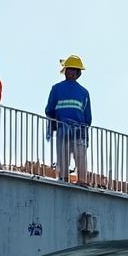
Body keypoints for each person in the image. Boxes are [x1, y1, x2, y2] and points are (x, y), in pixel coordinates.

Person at [46, 54, 93, 185]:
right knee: (79, 158)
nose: (71, 72)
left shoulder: (57, 89)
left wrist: (54, 124)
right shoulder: (84, 92)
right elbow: (88, 118)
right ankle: (81, 181)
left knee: (63, 157)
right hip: (78, 130)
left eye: (72, 70)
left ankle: (64, 179)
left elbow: (49, 110)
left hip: (64, 128)